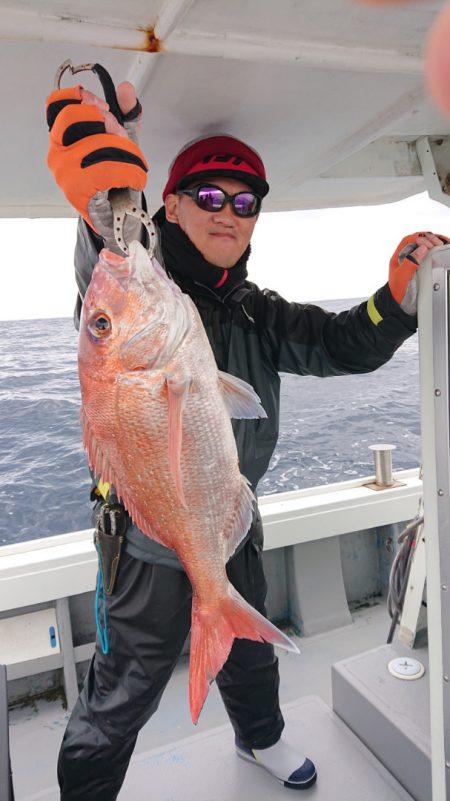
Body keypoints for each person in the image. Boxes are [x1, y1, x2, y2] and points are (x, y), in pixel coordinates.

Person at [46, 79, 445, 800]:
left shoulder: (257, 312)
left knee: (248, 643)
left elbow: (340, 344)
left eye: (245, 201)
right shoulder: (141, 284)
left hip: (230, 512)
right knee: (128, 684)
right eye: (207, 196)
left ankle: (259, 735)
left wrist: (399, 305)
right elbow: (107, 259)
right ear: (168, 206)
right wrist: (104, 198)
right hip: (144, 535)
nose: (228, 212)